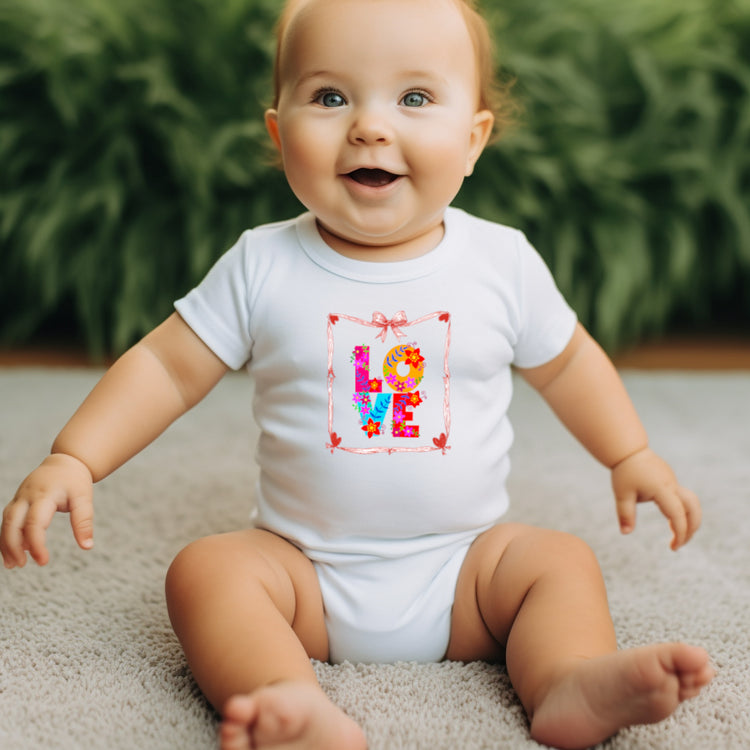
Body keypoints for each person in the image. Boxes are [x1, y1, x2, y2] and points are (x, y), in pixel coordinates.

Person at [1, 0, 714, 748]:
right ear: (279, 134)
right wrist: (76, 456)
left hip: (468, 573)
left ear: (473, 140)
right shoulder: (262, 264)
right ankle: (285, 698)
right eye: (331, 96)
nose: (371, 126)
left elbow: (568, 363)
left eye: (415, 97)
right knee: (206, 572)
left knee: (559, 562)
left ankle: (568, 678)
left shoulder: (500, 262)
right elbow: (166, 368)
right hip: (304, 576)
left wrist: (629, 453)